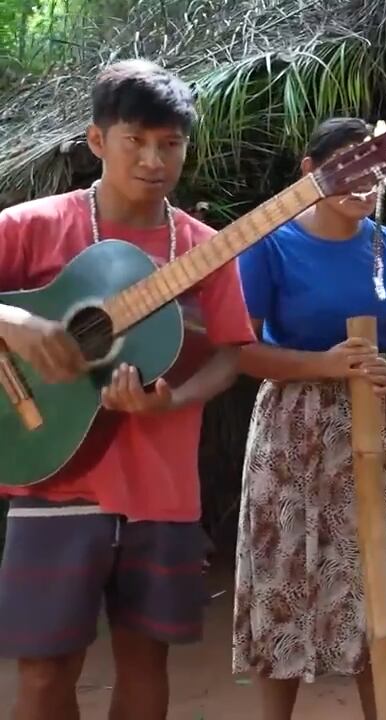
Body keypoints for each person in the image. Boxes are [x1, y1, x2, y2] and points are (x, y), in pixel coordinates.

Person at [0, 59, 255, 720]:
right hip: (49, 473)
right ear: (96, 141)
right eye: (135, 140)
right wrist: (18, 319)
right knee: (43, 668)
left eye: (170, 144)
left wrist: (175, 397)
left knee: (146, 659)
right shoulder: (31, 226)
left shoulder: (205, 249)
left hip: (162, 489)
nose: (153, 158)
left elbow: (231, 354)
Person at [231, 117, 386, 719]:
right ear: (308, 172)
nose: (360, 180)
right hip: (292, 428)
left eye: (373, 168)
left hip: (378, 425)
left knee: (379, 579)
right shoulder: (269, 244)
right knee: (282, 573)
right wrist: (320, 364)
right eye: (344, 165)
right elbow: (241, 350)